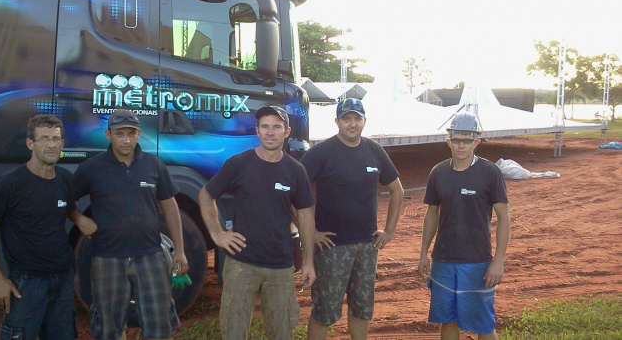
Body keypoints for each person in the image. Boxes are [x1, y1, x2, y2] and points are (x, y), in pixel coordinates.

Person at [0, 114, 97, 340]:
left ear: (62, 144)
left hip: (63, 277)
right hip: (27, 282)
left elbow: (64, 206)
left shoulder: (65, 179)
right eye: (44, 139)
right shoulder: (11, 183)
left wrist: (78, 218)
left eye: (56, 139)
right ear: (30, 143)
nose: (51, 144)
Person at [198, 105, 316, 340]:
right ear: (257, 131)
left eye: (276, 127)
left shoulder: (295, 171)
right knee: (234, 332)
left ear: (287, 131)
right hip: (242, 265)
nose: (270, 132)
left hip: (281, 266)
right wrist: (217, 234)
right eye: (265, 127)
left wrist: (310, 261)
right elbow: (206, 195)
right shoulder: (238, 164)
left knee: (282, 333)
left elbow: (304, 214)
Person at [71, 109, 188, 340]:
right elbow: (63, 198)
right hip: (107, 257)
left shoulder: (154, 165)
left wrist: (180, 251)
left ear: (138, 134)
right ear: (108, 134)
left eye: (131, 134)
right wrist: (78, 218)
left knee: (159, 325)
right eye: (119, 134)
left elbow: (171, 207)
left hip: (151, 255)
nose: (126, 140)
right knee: (109, 328)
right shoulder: (92, 168)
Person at [300, 98, 404, 340]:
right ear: (337, 121)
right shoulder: (321, 153)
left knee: (362, 308)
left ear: (364, 121)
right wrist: (310, 233)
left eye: (357, 118)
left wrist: (389, 231)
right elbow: (294, 193)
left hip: (367, 247)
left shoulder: (374, 151)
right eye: (347, 118)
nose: (352, 123)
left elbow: (397, 190)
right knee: (324, 311)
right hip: (332, 248)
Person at [417, 112, 511, 340]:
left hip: (477, 261)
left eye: (467, 140)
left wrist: (498, 261)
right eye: (457, 139)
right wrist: (423, 254)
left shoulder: (490, 172)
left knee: (483, 324)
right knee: (447, 320)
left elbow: (503, 217)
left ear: (476, 142)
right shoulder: (438, 172)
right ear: (448, 140)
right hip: (444, 260)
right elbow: (431, 214)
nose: (461, 145)